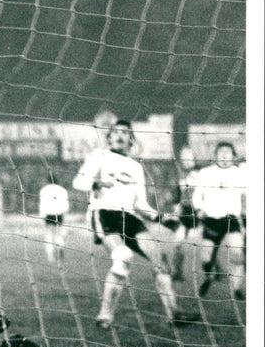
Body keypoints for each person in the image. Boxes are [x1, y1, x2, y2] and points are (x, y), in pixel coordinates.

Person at [72, 119, 199, 329]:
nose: (120, 136)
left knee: (161, 259)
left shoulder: (136, 167)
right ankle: (105, 316)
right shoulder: (98, 156)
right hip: (104, 214)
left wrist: (163, 218)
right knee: (122, 256)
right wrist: (97, 183)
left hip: (129, 218)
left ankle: (174, 313)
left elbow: (140, 204)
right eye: (116, 132)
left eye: (126, 133)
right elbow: (78, 182)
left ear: (131, 140)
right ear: (109, 136)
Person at [191, 142, 246, 300]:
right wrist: (199, 208)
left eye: (228, 152)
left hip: (232, 220)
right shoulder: (206, 172)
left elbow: (248, 194)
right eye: (220, 151)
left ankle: (236, 289)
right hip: (211, 220)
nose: (223, 155)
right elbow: (197, 194)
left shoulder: (240, 173)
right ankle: (209, 277)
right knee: (206, 259)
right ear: (215, 155)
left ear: (233, 156)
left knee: (237, 253)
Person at [166, 146, 203, 282]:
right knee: (177, 243)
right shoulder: (180, 175)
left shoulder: (203, 173)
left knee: (204, 244)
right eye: (183, 158)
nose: (186, 160)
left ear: (194, 157)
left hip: (200, 214)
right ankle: (177, 272)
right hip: (185, 214)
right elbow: (177, 196)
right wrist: (176, 211)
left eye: (188, 157)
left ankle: (215, 270)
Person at [38, 172, 70, 265]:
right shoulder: (62, 190)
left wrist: (42, 216)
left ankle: (50, 256)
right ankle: (60, 251)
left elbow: (42, 204)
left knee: (49, 235)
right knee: (58, 235)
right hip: (59, 214)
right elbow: (66, 204)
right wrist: (64, 213)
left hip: (48, 214)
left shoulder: (44, 190)